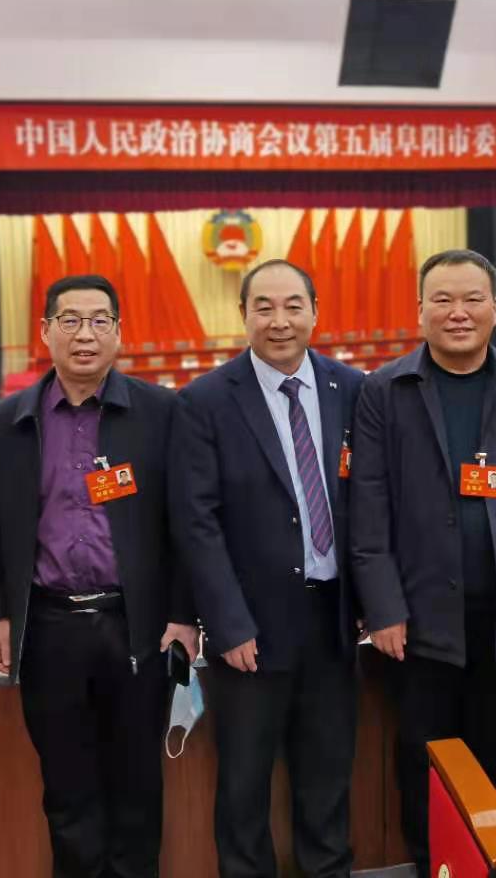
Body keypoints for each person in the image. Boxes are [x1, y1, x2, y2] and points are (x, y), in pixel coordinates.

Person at [350, 249, 496, 874]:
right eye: (442, 300)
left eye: (473, 299)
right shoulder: (384, 389)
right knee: (424, 756)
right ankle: (434, 865)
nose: (458, 313)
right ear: (419, 310)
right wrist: (382, 607)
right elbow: (367, 508)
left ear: (495, 309)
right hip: (418, 620)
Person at [0, 275, 197, 878]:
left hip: (136, 626)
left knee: (137, 785)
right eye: (70, 320)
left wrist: (183, 614)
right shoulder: (6, 421)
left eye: (100, 321)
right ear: (45, 332)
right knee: (67, 788)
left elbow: (189, 522)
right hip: (48, 627)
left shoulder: (162, 413)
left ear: (119, 334)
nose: (85, 334)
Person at [172, 260, 365, 878]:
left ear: (315, 311)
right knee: (244, 792)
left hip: (334, 622)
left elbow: (373, 499)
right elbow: (197, 524)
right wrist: (228, 624)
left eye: (292, 306)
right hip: (249, 630)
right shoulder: (204, 401)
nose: (279, 321)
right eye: (264, 307)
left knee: (328, 782)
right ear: (243, 315)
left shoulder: (352, 389)